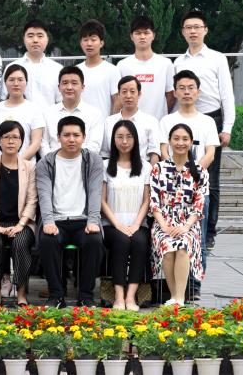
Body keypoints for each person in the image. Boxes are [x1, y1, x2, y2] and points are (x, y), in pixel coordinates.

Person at [172, 10, 233, 242]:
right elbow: (176, 94)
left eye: (197, 27)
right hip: (183, 121)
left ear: (205, 30)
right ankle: (182, 224)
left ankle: (209, 232)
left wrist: (227, 127)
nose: (193, 31)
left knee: (211, 179)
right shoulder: (179, 62)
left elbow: (227, 95)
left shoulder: (217, 58)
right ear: (183, 32)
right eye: (188, 27)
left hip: (211, 119)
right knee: (181, 175)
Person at [36, 116, 107, 308]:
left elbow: (95, 192)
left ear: (84, 137)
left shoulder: (93, 160)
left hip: (84, 219)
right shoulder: (46, 162)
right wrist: (48, 222)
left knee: (94, 241)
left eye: (76, 135)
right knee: (47, 241)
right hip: (56, 220)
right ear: (58, 136)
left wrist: (93, 221)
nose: (71, 139)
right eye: (66, 135)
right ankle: (56, 296)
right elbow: (44, 195)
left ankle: (86, 296)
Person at [0, 121, 37, 306]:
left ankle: (21, 294)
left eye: (15, 137)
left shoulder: (29, 167)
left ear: (21, 141)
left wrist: (20, 225)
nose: (11, 141)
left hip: (21, 222)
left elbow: (32, 200)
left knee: (20, 244)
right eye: (6, 137)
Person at [152, 124, 210, 307]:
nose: (180, 143)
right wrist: (164, 226)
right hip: (164, 222)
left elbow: (199, 205)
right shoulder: (159, 168)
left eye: (185, 139)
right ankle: (174, 296)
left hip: (188, 223)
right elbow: (154, 201)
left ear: (191, 142)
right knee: (168, 247)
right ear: (169, 141)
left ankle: (179, 299)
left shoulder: (200, 171)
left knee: (183, 244)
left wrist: (185, 226)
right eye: (176, 138)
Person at [102, 120, 152, 310]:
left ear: (135, 139)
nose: (124, 141)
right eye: (120, 137)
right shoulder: (105, 166)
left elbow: (147, 200)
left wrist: (136, 224)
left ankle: (131, 296)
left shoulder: (145, 167)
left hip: (137, 224)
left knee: (139, 242)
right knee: (121, 241)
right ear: (113, 140)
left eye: (129, 137)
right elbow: (102, 200)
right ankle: (118, 296)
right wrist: (117, 224)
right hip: (111, 224)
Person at [116, 16, 175, 121]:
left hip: (158, 122)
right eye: (138, 33)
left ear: (153, 35)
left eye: (146, 33)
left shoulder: (165, 64)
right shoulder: (122, 65)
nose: (142, 37)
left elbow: (170, 95)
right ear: (131, 36)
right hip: (130, 123)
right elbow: (119, 96)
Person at [43, 67, 107, 156]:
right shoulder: (47, 113)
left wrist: (76, 161)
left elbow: (94, 146)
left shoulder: (95, 114)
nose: (69, 87)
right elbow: (43, 144)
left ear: (82, 87)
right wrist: (54, 161)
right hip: (53, 162)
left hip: (84, 163)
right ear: (59, 87)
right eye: (65, 83)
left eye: (74, 83)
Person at [0, 65, 47, 160]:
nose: (16, 83)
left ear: (26, 83)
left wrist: (18, 163)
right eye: (11, 80)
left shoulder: (34, 109)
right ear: (5, 83)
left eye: (20, 80)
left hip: (26, 165)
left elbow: (36, 143)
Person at [76, 21, 122, 121]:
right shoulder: (76, 71)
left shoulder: (112, 70)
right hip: (78, 127)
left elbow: (117, 101)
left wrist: (110, 124)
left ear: (101, 43)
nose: (89, 44)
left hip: (103, 126)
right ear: (81, 43)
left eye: (93, 40)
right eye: (85, 40)